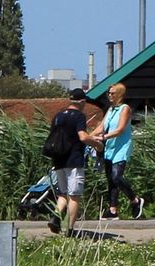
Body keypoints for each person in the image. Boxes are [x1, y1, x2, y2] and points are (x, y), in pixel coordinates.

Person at [87, 82, 143, 220]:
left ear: (119, 95)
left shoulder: (125, 109)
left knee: (116, 177)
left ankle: (135, 200)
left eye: (112, 93)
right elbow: (102, 126)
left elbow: (120, 129)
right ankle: (112, 210)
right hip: (110, 148)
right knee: (110, 180)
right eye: (108, 93)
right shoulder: (111, 109)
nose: (109, 96)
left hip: (121, 147)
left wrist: (103, 137)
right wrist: (88, 137)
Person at [44, 88, 91, 234]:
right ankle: (70, 229)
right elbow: (82, 136)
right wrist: (97, 144)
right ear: (82, 102)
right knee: (74, 195)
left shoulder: (58, 116)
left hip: (58, 159)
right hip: (74, 160)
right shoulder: (79, 116)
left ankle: (56, 217)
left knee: (63, 193)